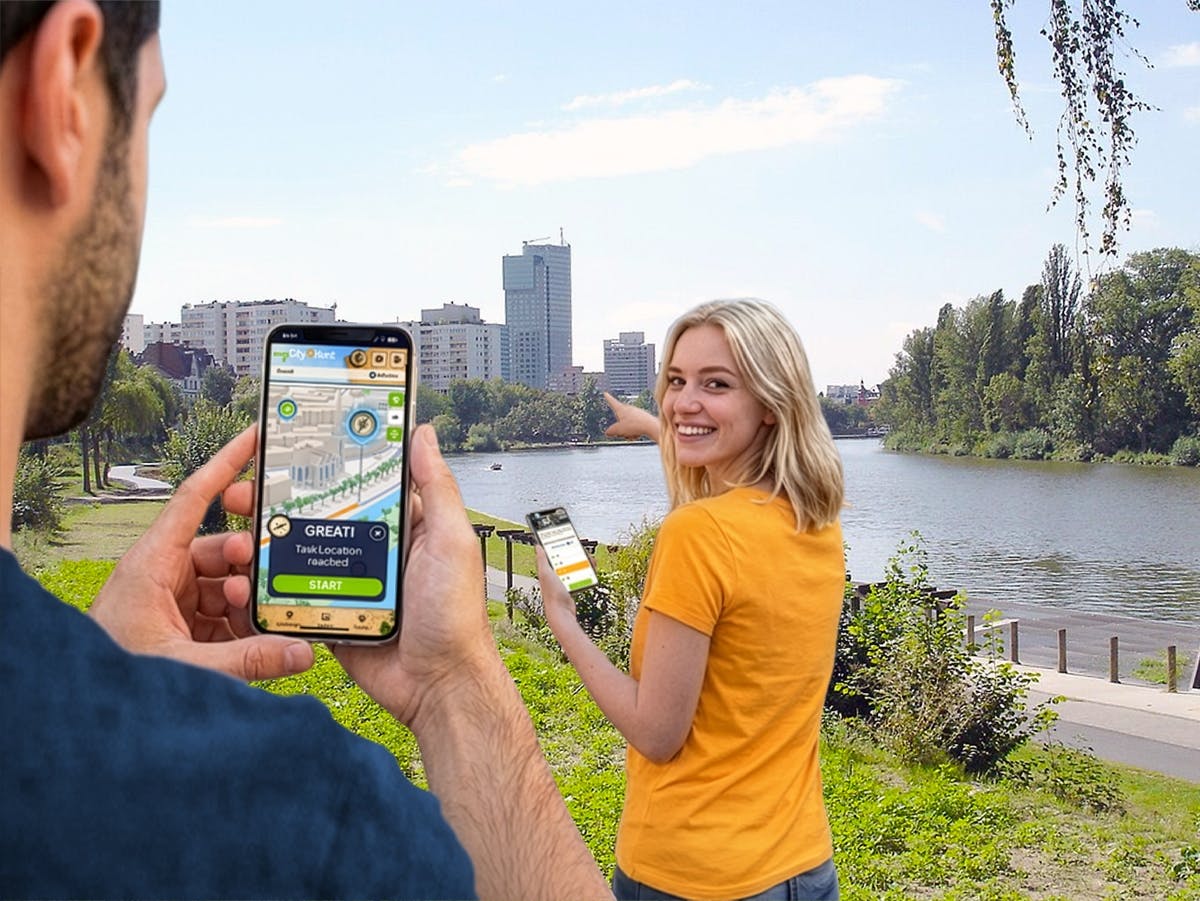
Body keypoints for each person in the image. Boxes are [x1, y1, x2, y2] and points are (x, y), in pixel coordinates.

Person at [0, 3, 611, 898]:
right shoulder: (296, 828)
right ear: (66, 90)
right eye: (150, 119)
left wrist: (93, 684)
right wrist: (454, 684)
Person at [537, 300, 846, 901]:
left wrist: (563, 621)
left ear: (771, 405)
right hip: (803, 866)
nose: (683, 401)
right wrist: (654, 426)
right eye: (676, 382)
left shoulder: (697, 535)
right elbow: (730, 471)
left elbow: (656, 734)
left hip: (692, 876)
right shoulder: (816, 521)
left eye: (716, 384)